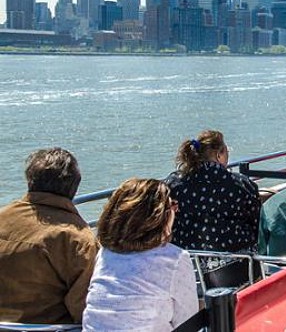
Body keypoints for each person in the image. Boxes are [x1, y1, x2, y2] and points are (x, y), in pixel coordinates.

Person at [82, 178, 198, 331]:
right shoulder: (175, 259)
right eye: (172, 206)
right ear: (159, 217)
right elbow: (188, 321)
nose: (176, 211)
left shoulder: (106, 253)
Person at [0, 148, 99, 325]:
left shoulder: (3, 218)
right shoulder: (78, 240)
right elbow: (85, 309)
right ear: (74, 186)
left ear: (30, 180)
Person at [165, 130, 260, 252]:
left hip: (188, 260)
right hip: (237, 262)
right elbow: (256, 225)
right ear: (219, 155)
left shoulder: (174, 183)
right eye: (227, 151)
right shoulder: (242, 184)